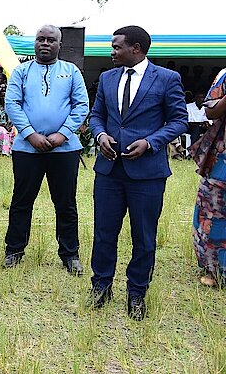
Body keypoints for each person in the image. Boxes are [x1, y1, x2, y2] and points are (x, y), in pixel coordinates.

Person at [89, 25, 187, 320]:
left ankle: (137, 292)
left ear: (136, 48)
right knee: (104, 232)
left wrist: (150, 142)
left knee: (144, 236)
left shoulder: (167, 78)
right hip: (109, 170)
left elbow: (179, 120)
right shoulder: (107, 78)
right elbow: (97, 116)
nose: (112, 52)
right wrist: (100, 135)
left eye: (116, 47)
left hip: (147, 173)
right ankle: (101, 286)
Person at [3, 25, 89, 275]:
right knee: (21, 201)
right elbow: (12, 103)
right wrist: (30, 134)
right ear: (35, 43)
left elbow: (81, 105)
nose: (45, 43)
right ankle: (14, 250)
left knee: (65, 203)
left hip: (65, 149)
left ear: (60, 44)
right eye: (40, 39)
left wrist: (63, 134)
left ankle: (70, 254)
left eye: (51, 40)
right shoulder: (21, 71)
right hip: (27, 148)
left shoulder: (71, 71)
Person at [191, 68, 226, 287]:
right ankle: (216, 270)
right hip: (223, 157)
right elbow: (210, 112)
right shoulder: (225, 75)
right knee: (215, 210)